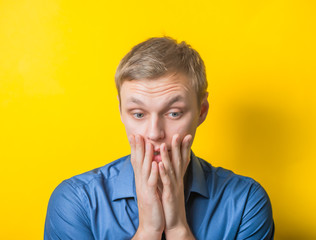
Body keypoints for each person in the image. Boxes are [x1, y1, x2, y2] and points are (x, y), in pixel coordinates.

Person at [44, 37, 274, 240]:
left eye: (174, 113)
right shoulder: (76, 201)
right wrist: (149, 230)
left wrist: (177, 227)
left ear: (201, 110)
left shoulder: (245, 202)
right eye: (138, 114)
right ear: (121, 111)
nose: (154, 133)